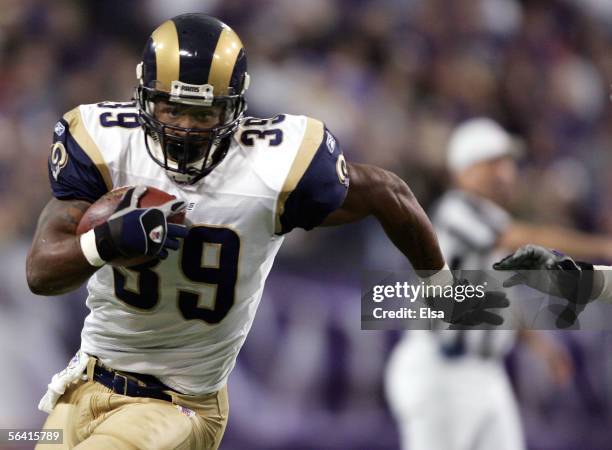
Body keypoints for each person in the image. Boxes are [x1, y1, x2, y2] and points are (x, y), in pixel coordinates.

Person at [26, 14, 503, 450]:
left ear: (234, 111)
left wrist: (441, 287)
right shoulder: (103, 143)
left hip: (177, 403)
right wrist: (104, 243)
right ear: (146, 98)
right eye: (174, 110)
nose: (187, 129)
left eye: (205, 114)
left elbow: (389, 193)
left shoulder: (272, 168)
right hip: (85, 382)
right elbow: (40, 273)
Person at [385, 117, 612, 450]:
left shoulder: (490, 222)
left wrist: (540, 346)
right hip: (438, 370)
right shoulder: (455, 209)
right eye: (494, 162)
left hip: (484, 375)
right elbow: (524, 237)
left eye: (508, 163)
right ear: (466, 168)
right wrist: (604, 246)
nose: (506, 172)